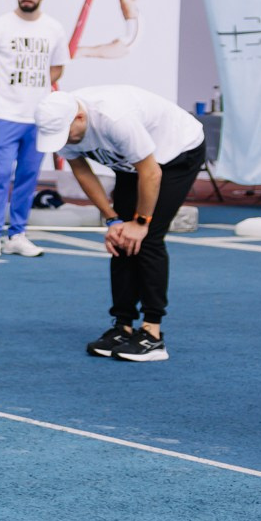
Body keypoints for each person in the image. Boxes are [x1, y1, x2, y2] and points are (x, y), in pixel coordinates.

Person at [38, 85, 206, 363]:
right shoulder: (59, 122)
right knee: (120, 239)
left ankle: (152, 334)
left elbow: (151, 173)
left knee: (147, 238)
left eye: (67, 135)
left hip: (175, 154)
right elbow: (82, 172)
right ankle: (122, 326)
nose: (65, 141)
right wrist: (112, 218)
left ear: (80, 117)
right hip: (131, 164)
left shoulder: (115, 118)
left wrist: (141, 222)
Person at [0, 0, 67, 260]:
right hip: (4, 115)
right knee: (1, 174)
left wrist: (34, 90)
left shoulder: (54, 29)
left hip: (38, 117)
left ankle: (17, 235)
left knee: (28, 176)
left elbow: (57, 68)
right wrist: (5, 90)